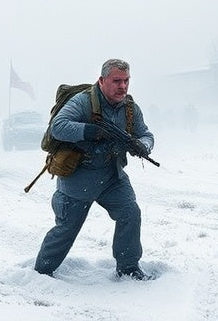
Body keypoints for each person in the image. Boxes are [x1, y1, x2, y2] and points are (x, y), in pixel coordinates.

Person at [35, 59, 156, 281]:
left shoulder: (129, 109)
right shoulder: (82, 102)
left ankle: (128, 267)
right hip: (78, 178)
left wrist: (143, 145)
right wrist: (91, 131)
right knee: (66, 230)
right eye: (116, 81)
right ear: (102, 81)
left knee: (130, 213)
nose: (122, 86)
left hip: (112, 177)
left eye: (126, 81)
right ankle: (41, 272)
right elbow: (58, 127)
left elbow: (146, 134)